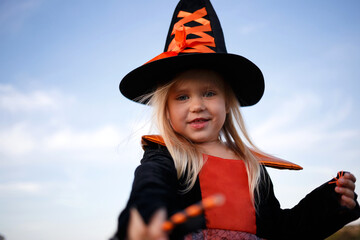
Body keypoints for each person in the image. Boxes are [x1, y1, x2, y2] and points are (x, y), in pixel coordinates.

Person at [112, 0, 360, 239]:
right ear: (166, 109)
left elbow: (282, 230)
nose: (197, 105)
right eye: (182, 97)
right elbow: (150, 187)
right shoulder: (165, 156)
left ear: (228, 103)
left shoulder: (252, 166)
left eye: (209, 93)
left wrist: (330, 203)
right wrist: (146, 216)